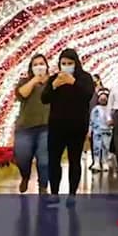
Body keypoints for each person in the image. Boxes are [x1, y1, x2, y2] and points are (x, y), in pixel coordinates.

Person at [40, 48, 96, 196]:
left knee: (74, 161)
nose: (66, 66)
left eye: (69, 63)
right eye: (63, 63)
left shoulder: (85, 78)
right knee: (54, 161)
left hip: (77, 127)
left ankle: (72, 193)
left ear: (76, 63)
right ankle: (54, 193)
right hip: (56, 127)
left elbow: (88, 95)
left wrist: (73, 82)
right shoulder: (54, 79)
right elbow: (44, 99)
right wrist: (53, 86)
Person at [13, 54, 51, 194]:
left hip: (46, 128)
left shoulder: (52, 83)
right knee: (22, 157)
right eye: (35, 64)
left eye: (41, 63)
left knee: (44, 160)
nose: (39, 66)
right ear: (31, 68)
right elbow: (21, 94)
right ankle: (25, 176)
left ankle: (43, 187)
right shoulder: (25, 81)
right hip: (25, 128)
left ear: (47, 66)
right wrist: (34, 80)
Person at [89, 90, 113, 173]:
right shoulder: (95, 109)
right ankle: (96, 161)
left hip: (107, 131)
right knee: (96, 147)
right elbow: (91, 121)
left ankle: (104, 161)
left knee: (106, 146)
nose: (103, 99)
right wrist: (89, 130)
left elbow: (112, 120)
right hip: (97, 131)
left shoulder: (110, 109)